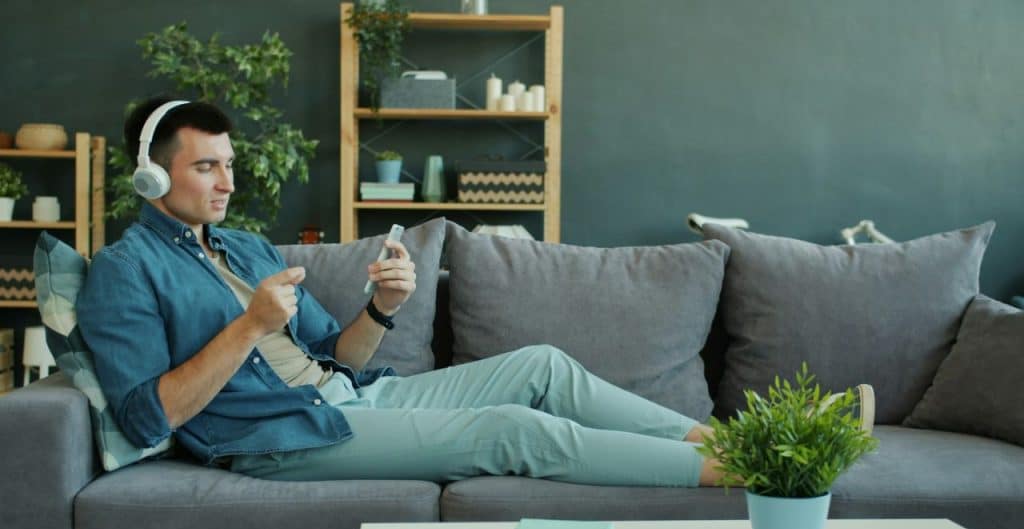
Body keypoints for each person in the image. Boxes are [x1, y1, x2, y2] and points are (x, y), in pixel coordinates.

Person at [78, 96, 725, 487]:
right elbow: (145, 417)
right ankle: (739, 474)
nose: (226, 182)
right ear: (152, 174)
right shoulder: (122, 270)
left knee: (542, 366)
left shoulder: (245, 246)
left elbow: (338, 355)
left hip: (350, 395)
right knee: (513, 431)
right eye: (206, 167)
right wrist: (247, 327)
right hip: (277, 439)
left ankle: (720, 443)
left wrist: (383, 306)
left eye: (229, 165)